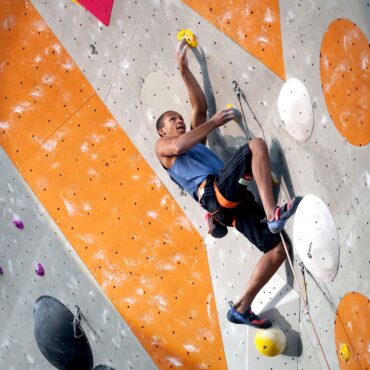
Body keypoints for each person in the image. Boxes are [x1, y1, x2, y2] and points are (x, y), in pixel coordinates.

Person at [154, 39, 301, 329]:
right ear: (162, 129)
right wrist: (215, 123)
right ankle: (273, 214)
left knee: (278, 248)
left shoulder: (193, 140)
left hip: (227, 205)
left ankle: (241, 307)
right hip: (213, 193)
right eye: (173, 119)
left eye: (180, 118)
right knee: (256, 145)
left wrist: (185, 71)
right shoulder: (163, 147)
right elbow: (182, 144)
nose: (180, 121)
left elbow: (199, 105)